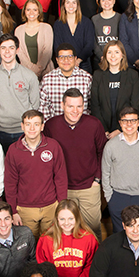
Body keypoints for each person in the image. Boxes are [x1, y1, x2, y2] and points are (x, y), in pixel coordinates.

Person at [43, 88, 107, 236]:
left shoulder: (94, 124)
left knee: (93, 229)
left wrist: (97, 179)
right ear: (62, 105)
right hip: (62, 189)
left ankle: (95, 259)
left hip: (89, 187)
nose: (75, 111)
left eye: (79, 106)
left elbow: (102, 152)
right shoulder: (51, 126)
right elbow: (45, 155)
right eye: (70, 106)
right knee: (65, 231)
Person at [3, 110, 67, 237]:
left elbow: (60, 178)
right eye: (28, 124)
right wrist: (13, 211)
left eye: (36, 124)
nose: (32, 128)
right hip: (25, 209)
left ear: (42, 126)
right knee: (28, 246)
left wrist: (61, 205)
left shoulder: (53, 146)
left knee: (50, 243)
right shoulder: (13, 150)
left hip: (50, 206)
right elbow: (10, 183)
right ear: (22, 126)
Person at [36, 200, 99, 277]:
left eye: (71, 218)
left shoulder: (88, 238)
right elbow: (43, 266)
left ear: (77, 218)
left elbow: (91, 267)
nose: (66, 223)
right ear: (56, 219)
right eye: (62, 219)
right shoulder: (46, 239)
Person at [101, 107, 139, 233]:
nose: (129, 124)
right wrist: (110, 197)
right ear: (120, 123)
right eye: (125, 121)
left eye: (133, 120)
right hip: (118, 196)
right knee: (119, 236)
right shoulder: (111, 145)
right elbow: (105, 172)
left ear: (138, 123)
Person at [0, 35, 41, 151]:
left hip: (23, 131)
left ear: (17, 50)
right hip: (1, 130)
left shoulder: (29, 75)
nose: (7, 52)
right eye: (3, 48)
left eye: (11, 48)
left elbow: (35, 104)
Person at [91, 40, 139, 136]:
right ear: (105, 55)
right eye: (109, 52)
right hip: (103, 129)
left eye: (117, 52)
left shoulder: (132, 75)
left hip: (126, 129)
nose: (113, 56)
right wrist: (104, 130)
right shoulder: (97, 75)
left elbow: (135, 104)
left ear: (122, 55)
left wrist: (119, 129)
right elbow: (95, 105)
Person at [40, 43, 93, 120]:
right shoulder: (47, 79)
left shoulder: (86, 78)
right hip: (55, 127)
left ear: (75, 58)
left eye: (70, 57)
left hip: (82, 125)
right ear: (57, 60)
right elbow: (43, 107)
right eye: (62, 57)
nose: (66, 60)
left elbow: (92, 106)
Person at [53, 0, 95, 74]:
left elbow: (89, 45)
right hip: (64, 64)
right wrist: (68, 61)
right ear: (63, 5)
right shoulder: (58, 24)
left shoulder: (87, 22)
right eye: (68, 2)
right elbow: (57, 46)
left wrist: (78, 61)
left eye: (74, 2)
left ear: (77, 5)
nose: (71, 5)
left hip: (83, 64)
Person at [14, 0, 55, 78]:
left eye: (35, 10)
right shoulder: (18, 30)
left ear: (39, 12)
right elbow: (20, 53)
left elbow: (47, 51)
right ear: (24, 11)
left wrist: (39, 69)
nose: (31, 12)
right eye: (28, 9)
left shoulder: (47, 28)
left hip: (46, 71)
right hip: (26, 72)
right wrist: (33, 69)